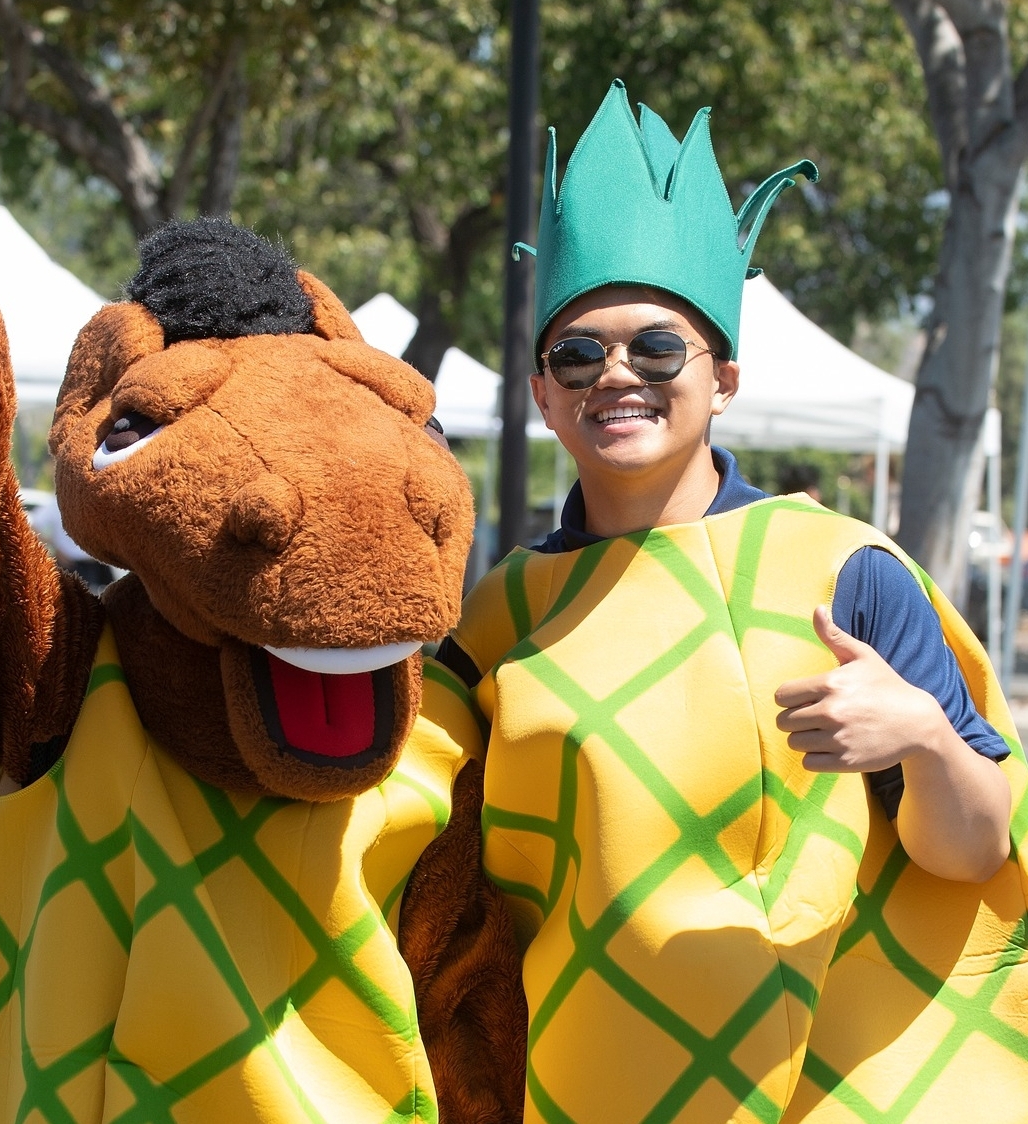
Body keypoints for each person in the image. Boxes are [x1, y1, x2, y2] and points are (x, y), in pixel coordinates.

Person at [435, 81, 1027, 1123]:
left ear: (723, 377)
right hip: (576, 1091)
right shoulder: (496, 614)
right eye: (576, 352)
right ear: (539, 394)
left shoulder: (843, 568)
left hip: (817, 1094)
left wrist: (924, 737)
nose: (614, 373)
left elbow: (974, 850)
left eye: (656, 347)